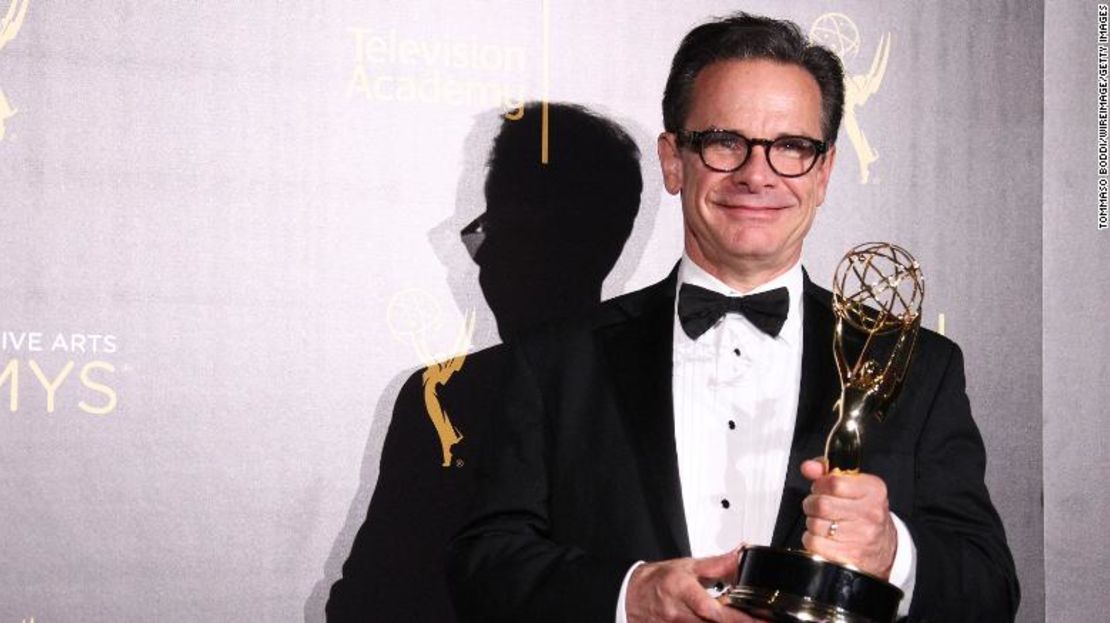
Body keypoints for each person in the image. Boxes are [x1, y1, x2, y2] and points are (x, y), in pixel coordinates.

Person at [445, 12, 1019, 623]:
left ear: (823, 173)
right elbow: (485, 567)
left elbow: (988, 593)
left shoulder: (915, 363)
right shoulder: (553, 361)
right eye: (725, 142)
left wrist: (892, 553)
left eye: (792, 147)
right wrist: (629, 595)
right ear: (674, 161)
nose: (757, 174)